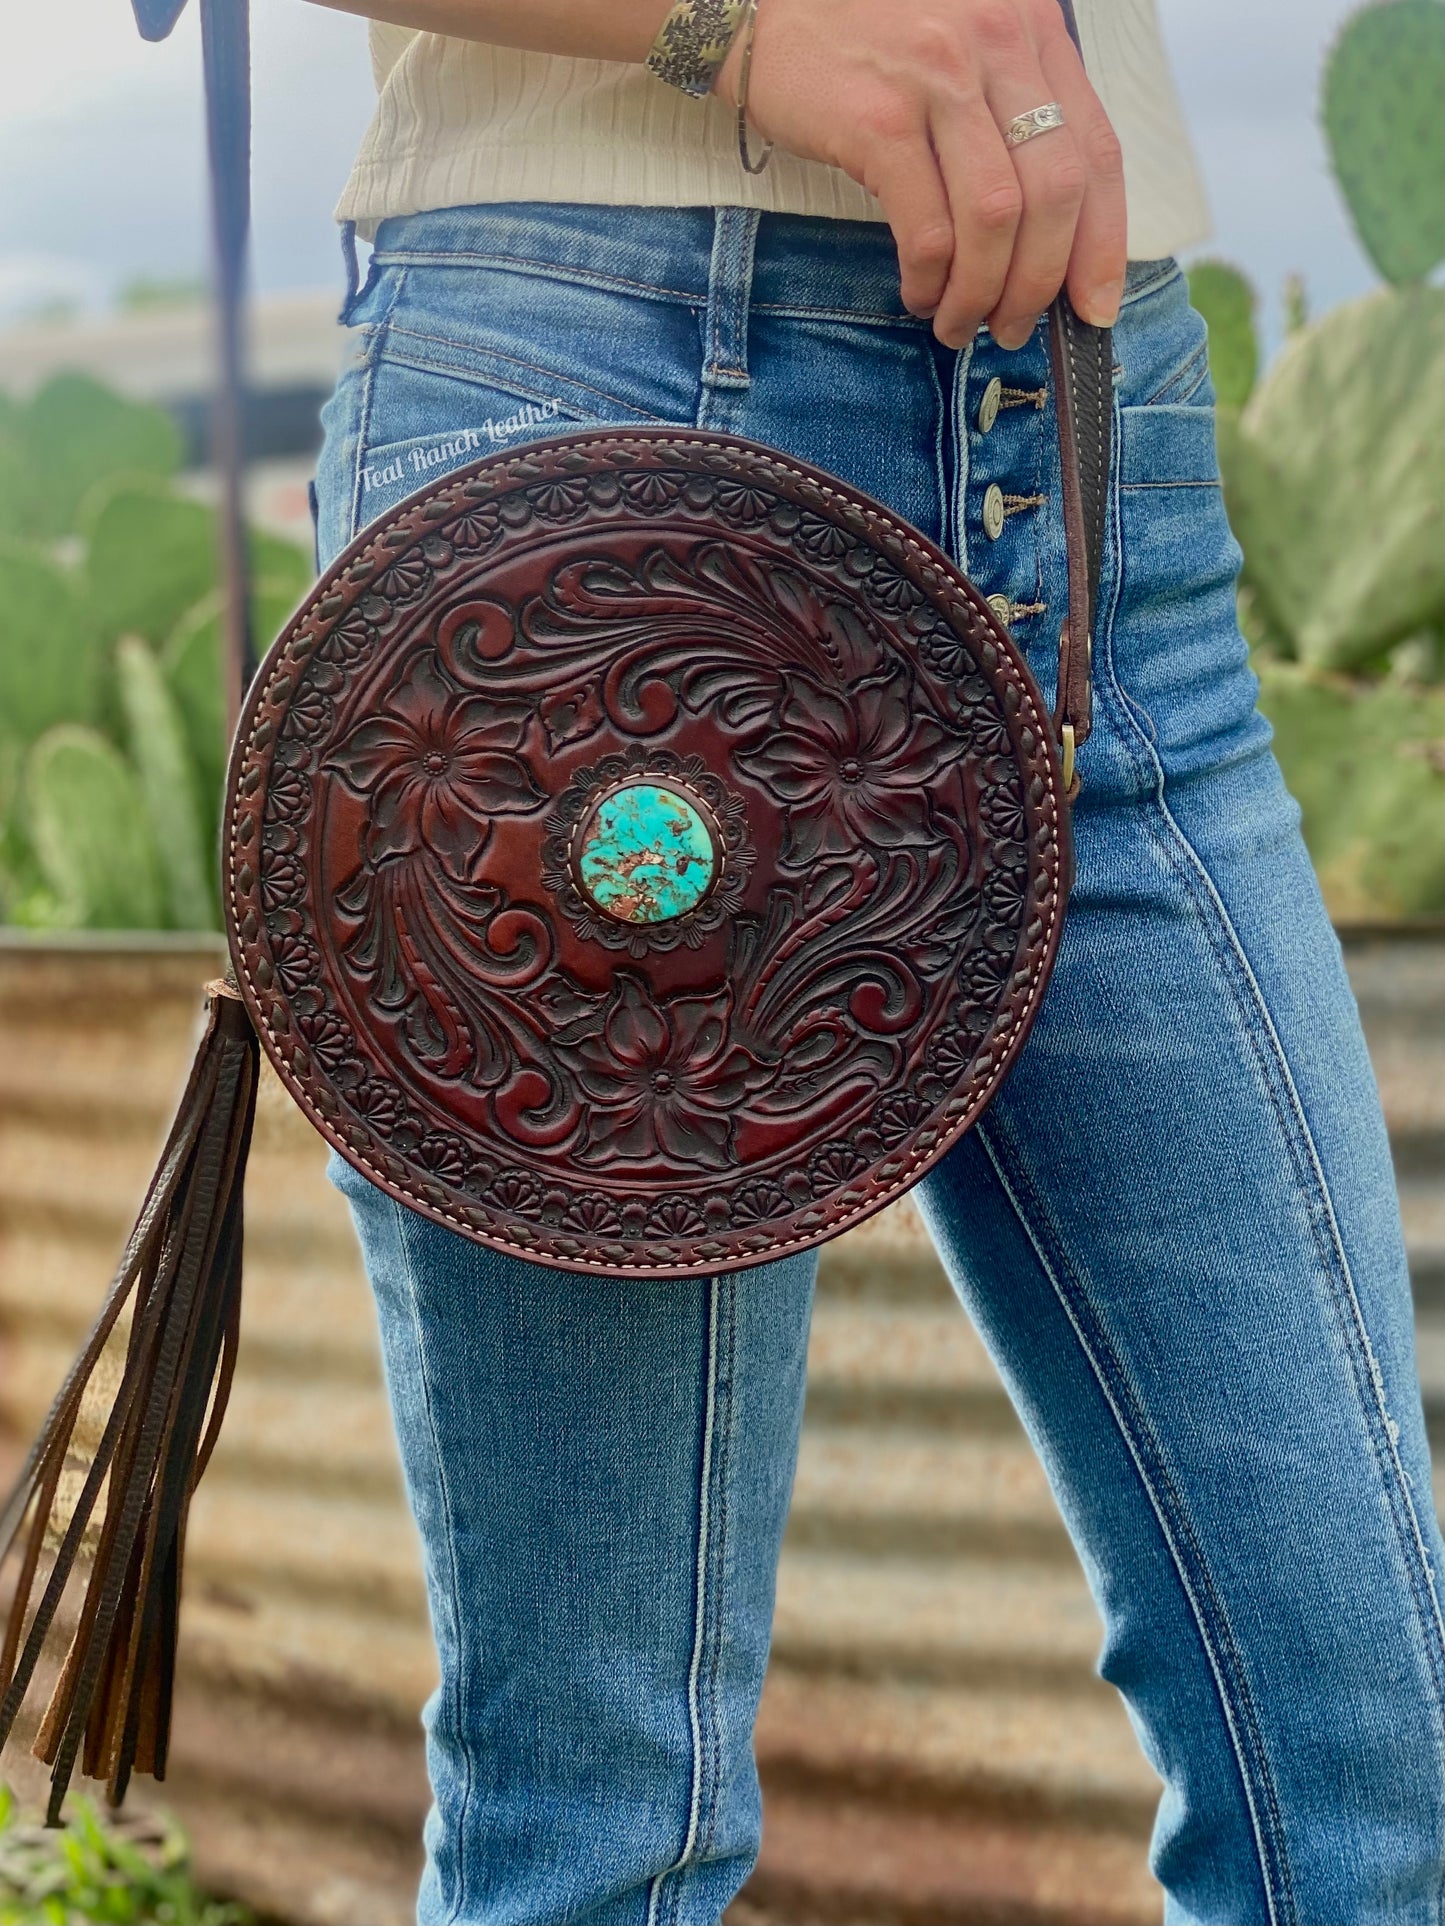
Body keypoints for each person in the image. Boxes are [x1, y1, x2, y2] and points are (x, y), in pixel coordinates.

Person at [303, 1, 1445, 1919]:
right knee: (606, 1830)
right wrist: (730, 25)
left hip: (1089, 450)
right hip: (601, 413)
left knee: (1375, 1780)